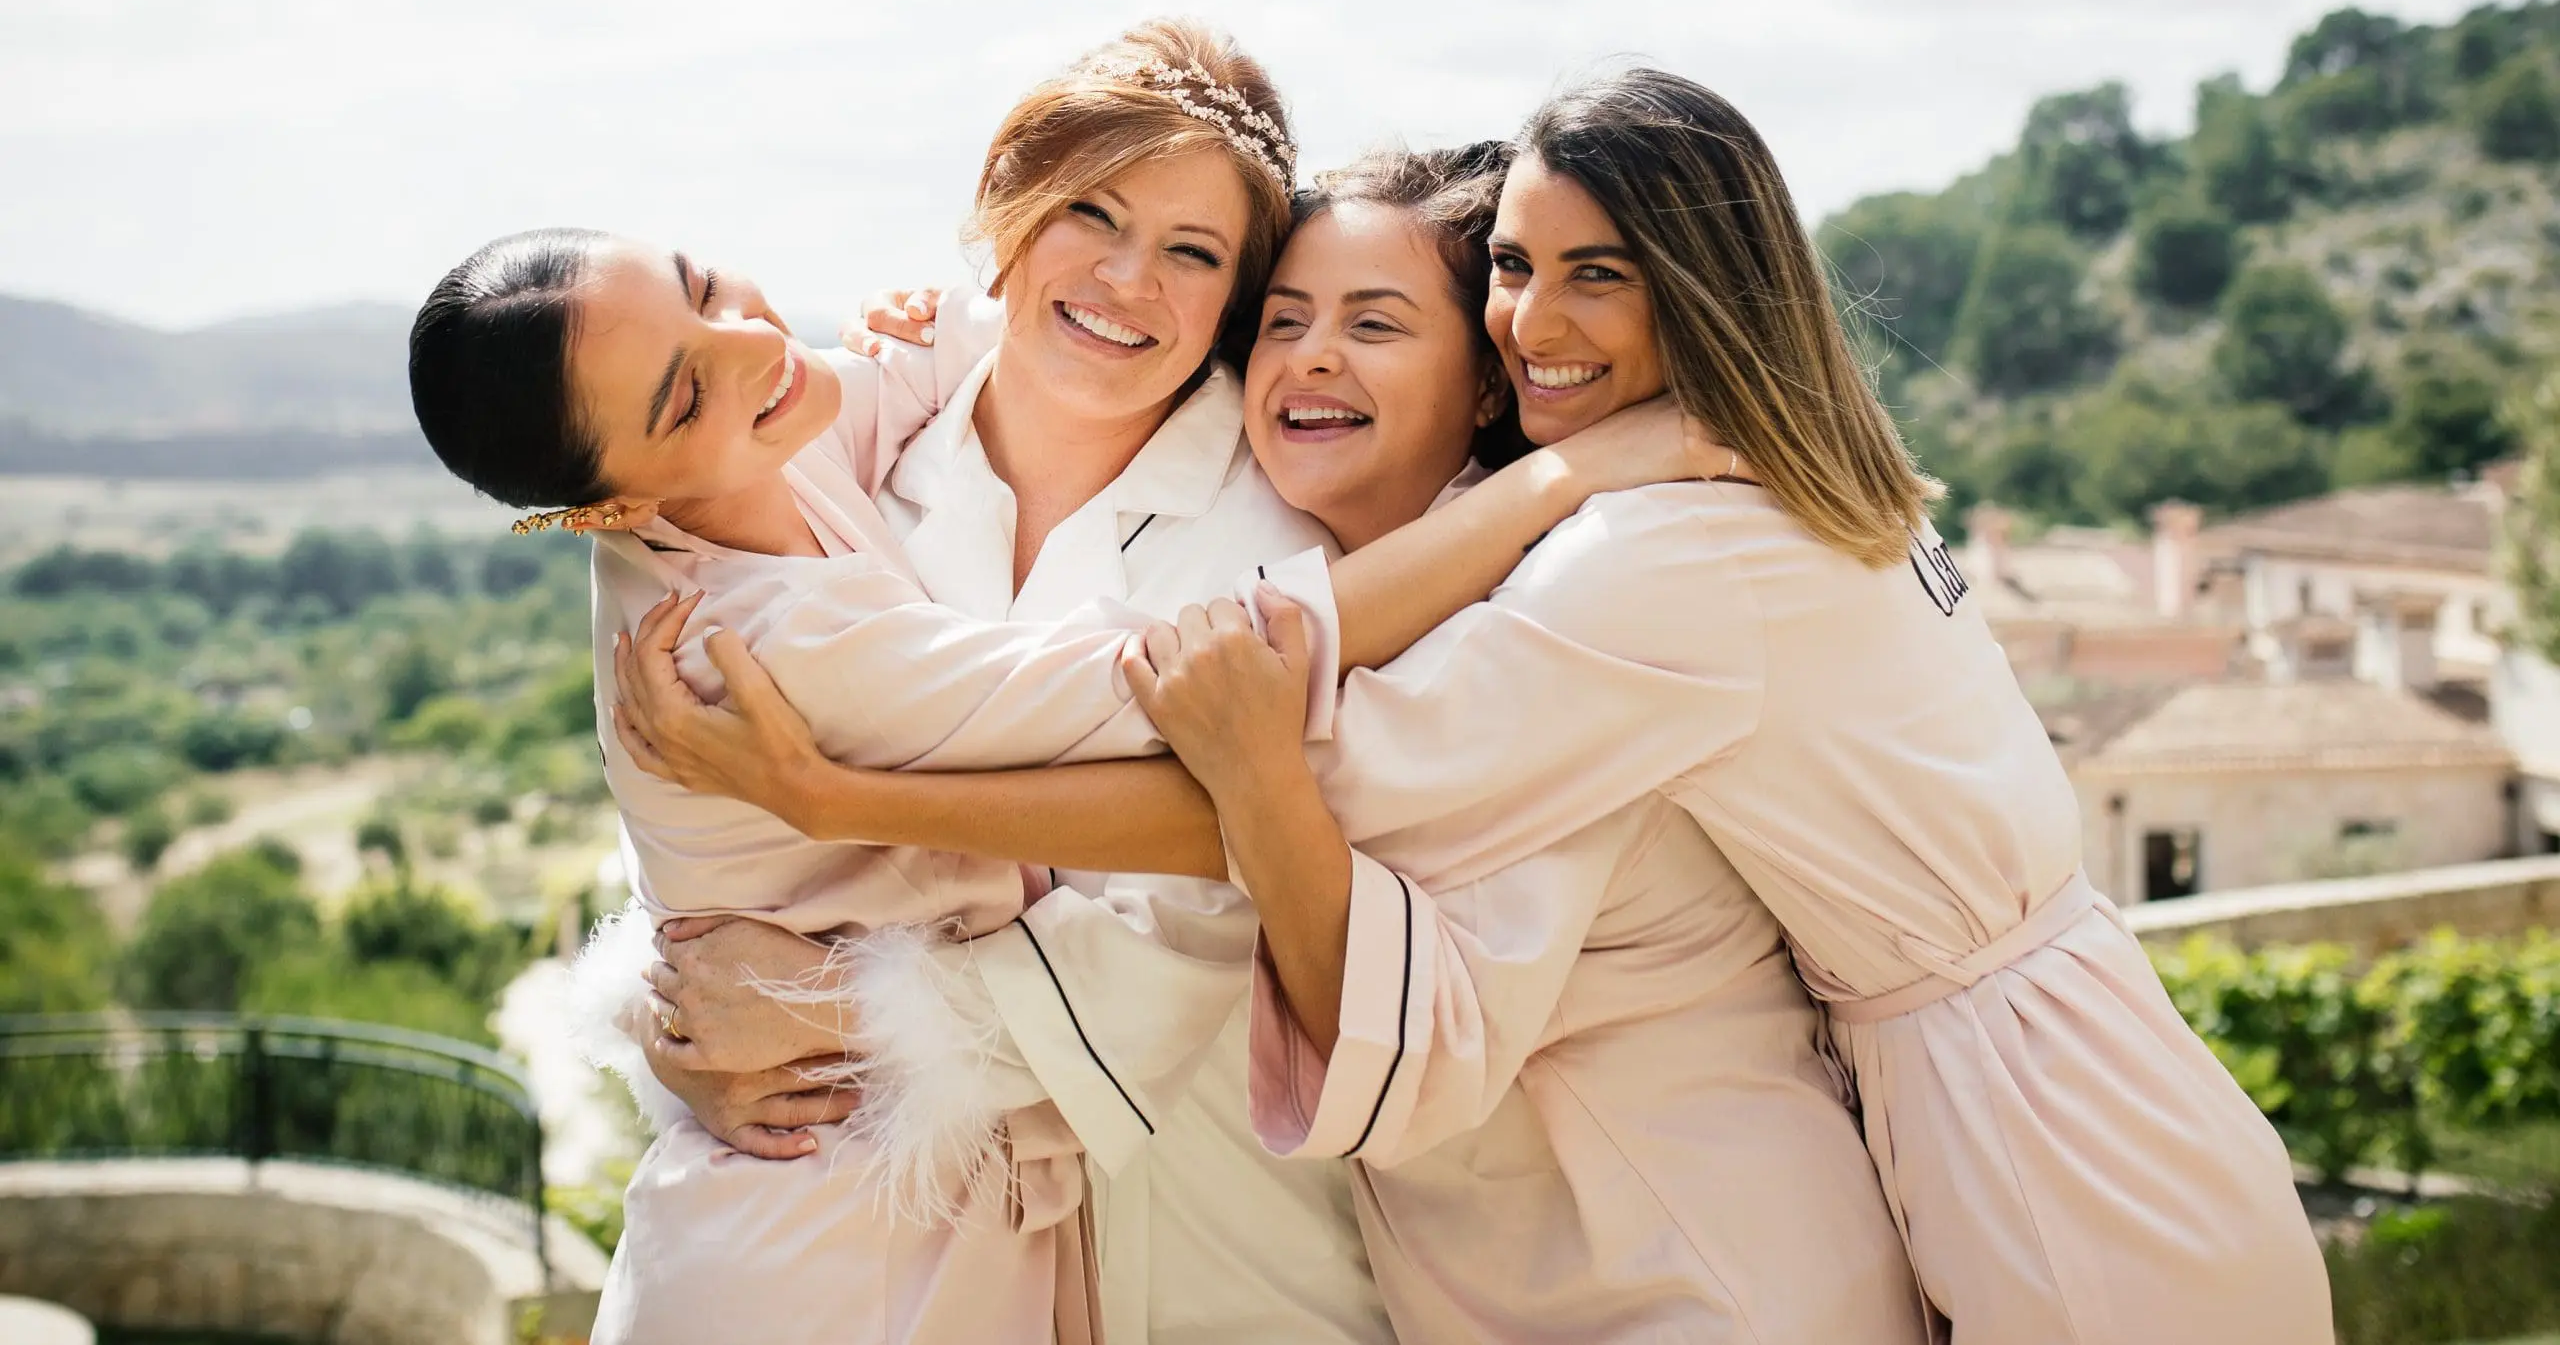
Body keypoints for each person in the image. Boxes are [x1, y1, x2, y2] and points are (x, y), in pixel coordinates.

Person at [416, 22, 1715, 1344]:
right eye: (1084, 212)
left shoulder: (1287, 524)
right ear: (1012, 216)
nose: (1127, 278)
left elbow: (1226, 874)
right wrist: (678, 992)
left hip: (1221, 1240)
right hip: (878, 1242)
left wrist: (834, 1007)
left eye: (1198, 252)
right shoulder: (850, 461)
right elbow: (727, 850)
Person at [624, 142, 1929, 1342]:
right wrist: (684, 972)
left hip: (1632, 1252)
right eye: (1287, 321)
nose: (1308, 357)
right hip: (1274, 1255)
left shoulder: (1510, 606)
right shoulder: (922, 455)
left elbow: (1241, 852)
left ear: (1479, 372)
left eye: (1372, 322)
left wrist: (839, 971)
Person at [1120, 71, 2334, 1345]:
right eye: (1517, 267)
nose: (1530, 319)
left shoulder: (1661, 555)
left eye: (1599, 272)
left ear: (1700, 284)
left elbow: (1271, 708)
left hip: (2040, 1141)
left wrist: (895, 796)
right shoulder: (1810, 478)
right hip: (2083, 1068)